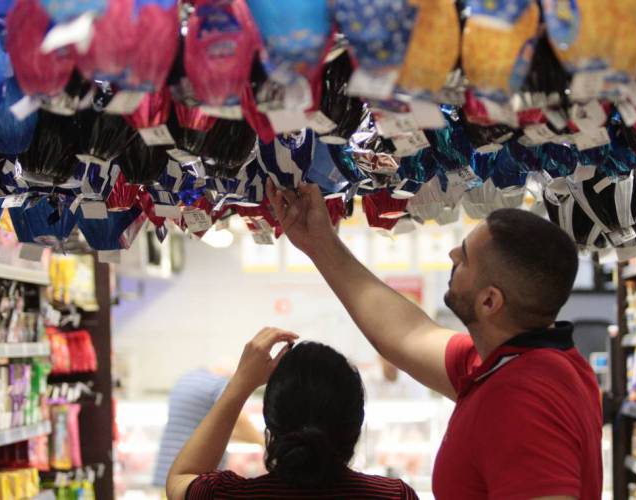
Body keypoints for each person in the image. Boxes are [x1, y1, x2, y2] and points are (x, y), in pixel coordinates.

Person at [266, 181, 602, 500]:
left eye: (466, 257)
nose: (452, 254)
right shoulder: (511, 364)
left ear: (489, 301)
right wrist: (320, 243)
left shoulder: (526, 401)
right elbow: (406, 334)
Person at [166, 327, 419, 500]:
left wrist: (240, 384)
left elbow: (181, 479)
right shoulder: (395, 496)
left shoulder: (228, 495)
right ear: (356, 422)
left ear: (271, 421)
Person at [152, 368, 263, 489]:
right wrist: (264, 443)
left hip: (167, 475)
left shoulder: (186, 380)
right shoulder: (221, 385)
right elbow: (238, 420)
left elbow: (222, 429)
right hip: (191, 482)